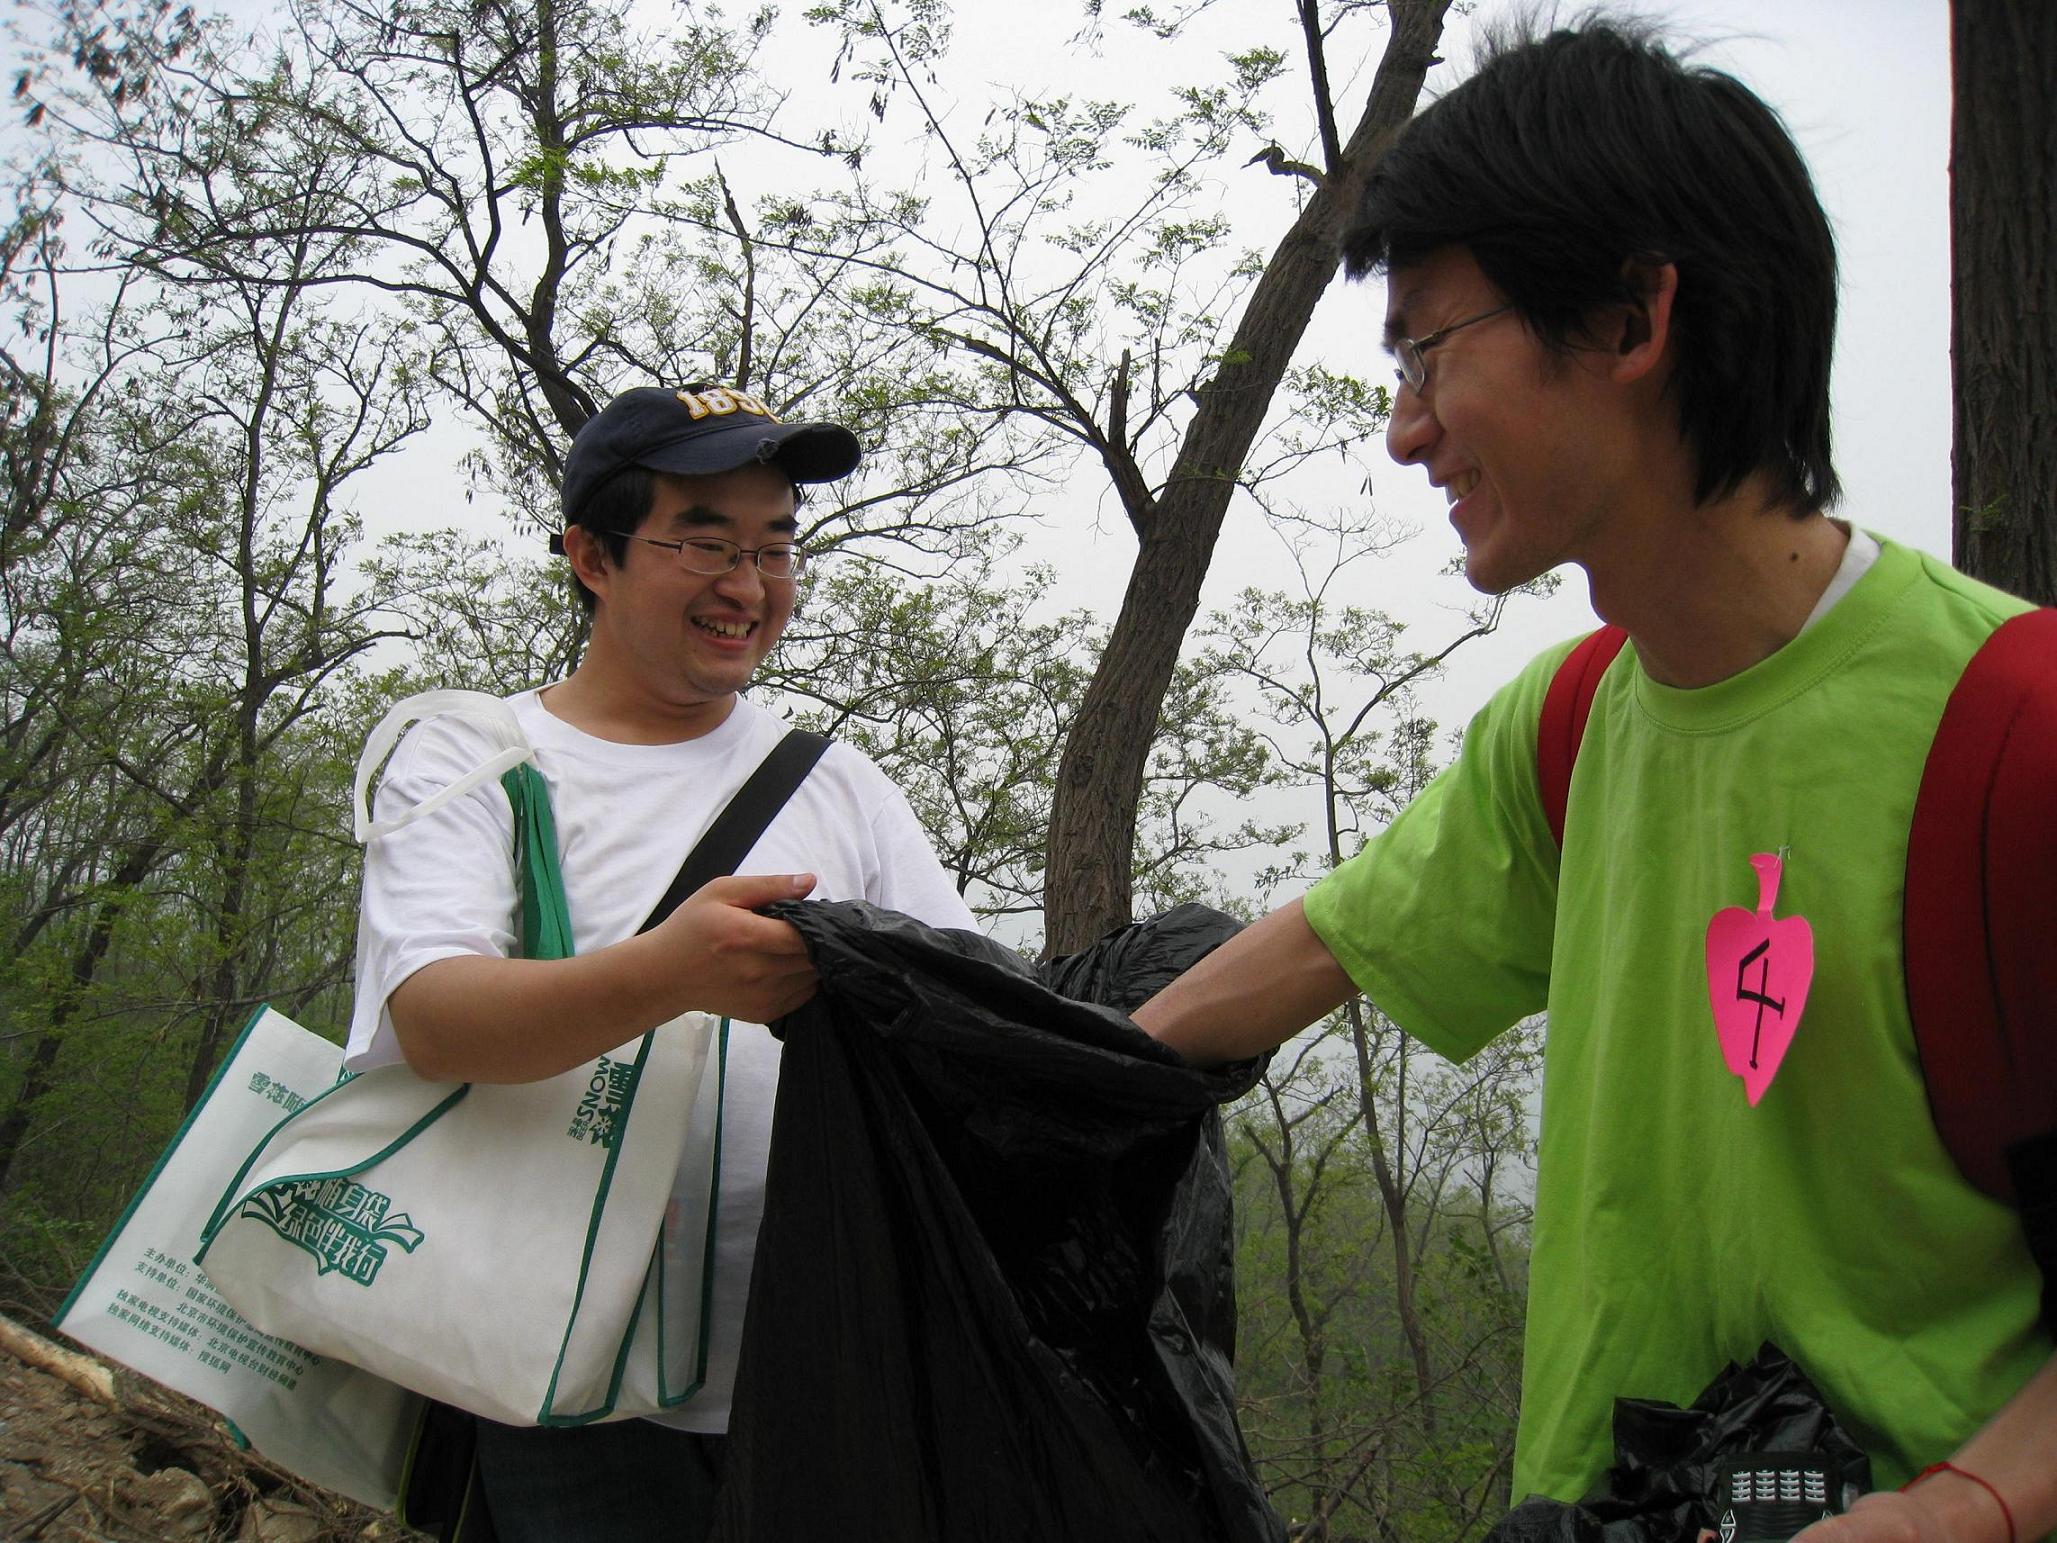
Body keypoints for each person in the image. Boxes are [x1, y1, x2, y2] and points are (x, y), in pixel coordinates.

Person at [1130, 21, 2056, 1543]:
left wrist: (1953, 1512)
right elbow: (1318, 947)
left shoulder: (2011, 731)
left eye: (1431, 353)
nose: (1405, 429)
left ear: (1631, 318)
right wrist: (1012, 1084)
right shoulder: (1565, 727)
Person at [345, 383, 976, 1541]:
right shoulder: (474, 755)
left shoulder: (836, 783)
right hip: (557, 1369)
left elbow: (968, 1014)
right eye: (704, 542)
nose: (748, 586)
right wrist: (670, 973)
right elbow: (431, 1017)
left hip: (814, 1361)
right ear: (593, 555)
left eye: (774, 546)